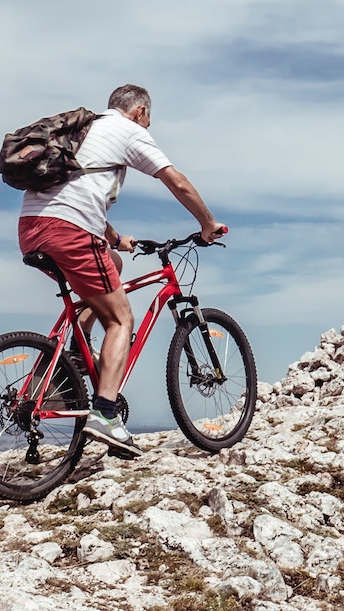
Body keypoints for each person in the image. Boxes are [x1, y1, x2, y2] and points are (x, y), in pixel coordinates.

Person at [17, 84, 225, 459]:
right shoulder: (128, 131)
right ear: (140, 111)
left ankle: (76, 354)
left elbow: (76, 192)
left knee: (110, 267)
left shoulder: (84, 131)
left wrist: (113, 237)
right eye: (149, 118)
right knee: (121, 319)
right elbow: (175, 180)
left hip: (33, 229)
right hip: (71, 231)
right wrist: (207, 223)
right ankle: (105, 415)